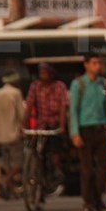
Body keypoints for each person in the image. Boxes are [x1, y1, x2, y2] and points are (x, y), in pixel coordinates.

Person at [69, 53, 106, 211]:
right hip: (84, 130)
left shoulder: (103, 83)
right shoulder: (78, 84)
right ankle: (88, 201)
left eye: (99, 63)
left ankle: (97, 196)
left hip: (101, 129)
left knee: (105, 167)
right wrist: (74, 133)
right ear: (86, 65)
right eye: (94, 63)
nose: (97, 66)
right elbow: (73, 110)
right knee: (87, 170)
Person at [25, 62, 69, 193]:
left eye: (44, 72)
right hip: (41, 124)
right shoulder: (35, 86)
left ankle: (57, 169)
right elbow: (29, 105)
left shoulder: (59, 86)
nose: (42, 75)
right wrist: (22, 124)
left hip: (55, 123)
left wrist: (62, 125)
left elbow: (63, 107)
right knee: (36, 150)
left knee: (55, 150)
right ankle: (39, 177)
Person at [0, 70, 26, 196]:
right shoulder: (16, 93)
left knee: (7, 164)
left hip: (0, 135)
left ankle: (10, 189)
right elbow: (21, 115)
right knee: (18, 163)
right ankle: (7, 180)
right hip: (13, 134)